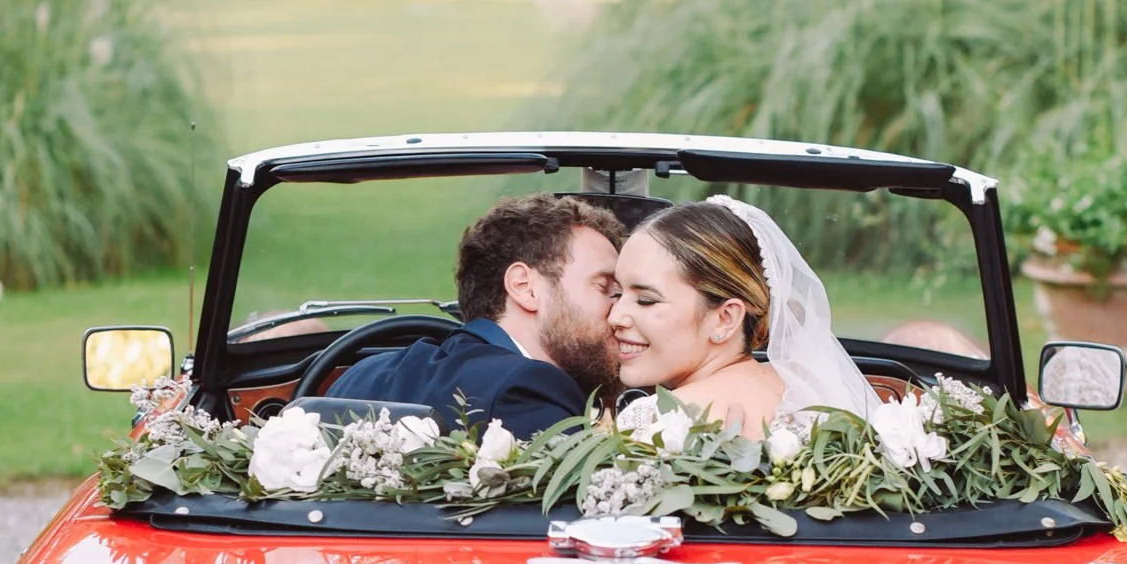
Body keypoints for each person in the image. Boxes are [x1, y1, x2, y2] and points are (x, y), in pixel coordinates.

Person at [608, 194, 914, 440]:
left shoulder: (658, 422)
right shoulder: (809, 389)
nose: (616, 316)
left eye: (646, 300)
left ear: (725, 318)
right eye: (617, 293)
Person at [336, 193, 624, 439]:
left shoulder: (363, 373)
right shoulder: (529, 389)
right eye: (606, 287)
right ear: (525, 287)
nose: (623, 311)